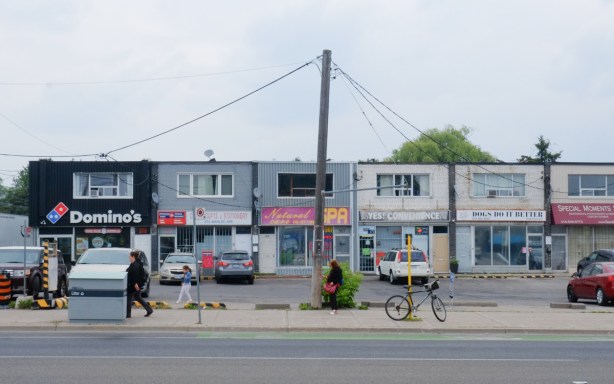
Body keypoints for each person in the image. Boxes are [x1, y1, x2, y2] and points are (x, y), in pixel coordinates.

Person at [126, 250, 153, 318]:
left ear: (133, 257)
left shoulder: (135, 265)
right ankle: (149, 310)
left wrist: (135, 284)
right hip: (135, 284)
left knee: (128, 299)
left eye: (129, 256)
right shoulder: (135, 263)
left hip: (133, 285)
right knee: (138, 298)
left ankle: (128, 314)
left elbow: (136, 275)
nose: (129, 257)